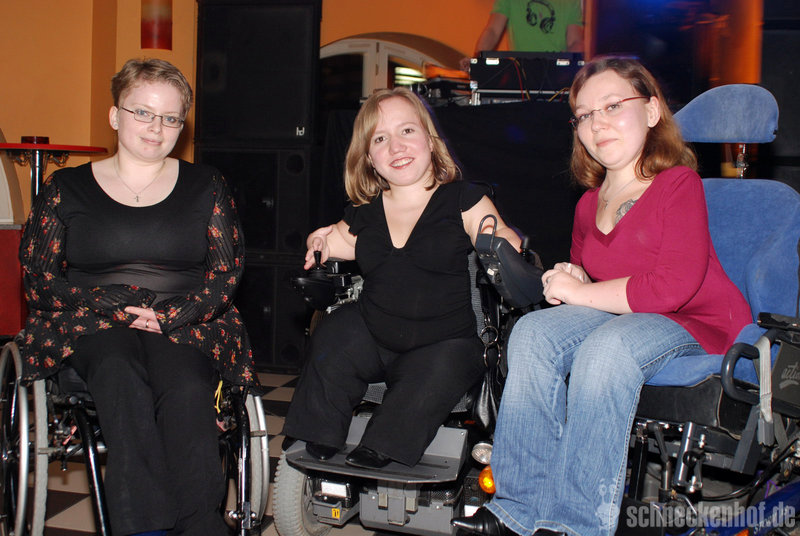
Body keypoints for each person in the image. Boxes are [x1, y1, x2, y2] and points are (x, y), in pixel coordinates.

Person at [451, 56, 752, 536]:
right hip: (628, 320)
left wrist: (581, 291)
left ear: (651, 111)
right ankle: (519, 510)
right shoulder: (588, 203)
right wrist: (576, 277)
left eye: (612, 106)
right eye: (585, 115)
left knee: (606, 350)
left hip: (696, 321)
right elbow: (594, 281)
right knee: (531, 332)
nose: (597, 123)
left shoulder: (678, 183)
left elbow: (672, 287)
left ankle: (576, 524)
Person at [19, 58, 258, 535]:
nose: (156, 127)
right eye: (143, 112)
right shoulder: (66, 188)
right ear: (115, 115)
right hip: (91, 318)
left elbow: (226, 272)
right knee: (118, 372)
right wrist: (105, 301)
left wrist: (176, 313)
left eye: (170, 118)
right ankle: (144, 527)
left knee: (185, 387)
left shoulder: (206, 184)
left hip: (184, 321)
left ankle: (199, 525)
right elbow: (37, 279)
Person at [282, 86, 520, 469]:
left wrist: (504, 243)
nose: (396, 146)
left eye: (407, 131)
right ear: (369, 159)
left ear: (430, 139)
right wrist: (319, 242)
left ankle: (384, 443)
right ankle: (318, 431)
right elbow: (334, 240)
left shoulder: (463, 199)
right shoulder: (365, 211)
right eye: (380, 139)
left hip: (444, 342)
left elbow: (495, 231)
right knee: (333, 331)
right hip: (375, 333)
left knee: (444, 369)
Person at [460, 0, 585, 71]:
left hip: (554, 73)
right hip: (520, 73)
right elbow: (493, 31)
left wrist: (565, 69)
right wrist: (476, 59)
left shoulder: (570, 2)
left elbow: (575, 42)